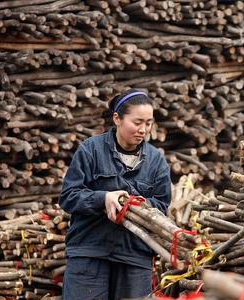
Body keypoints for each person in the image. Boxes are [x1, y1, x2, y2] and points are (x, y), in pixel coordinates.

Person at [59, 89, 172, 300]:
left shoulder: (156, 161)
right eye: (137, 122)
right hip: (89, 252)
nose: (143, 129)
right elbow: (69, 197)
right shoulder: (91, 150)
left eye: (148, 123)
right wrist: (103, 198)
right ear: (117, 119)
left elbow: (162, 205)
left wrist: (135, 204)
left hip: (134, 256)